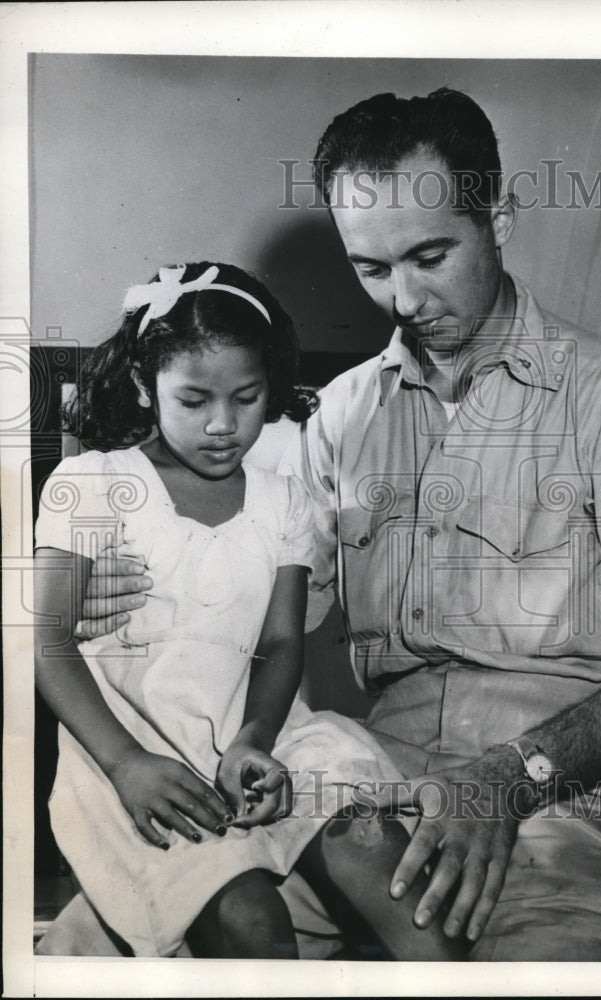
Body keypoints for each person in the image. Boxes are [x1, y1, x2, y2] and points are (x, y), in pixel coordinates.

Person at [63, 89, 601, 961]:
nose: (403, 299)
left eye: (430, 256)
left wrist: (515, 773)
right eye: (371, 268)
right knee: (88, 947)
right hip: (370, 782)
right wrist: (119, 601)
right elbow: (261, 617)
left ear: (499, 219)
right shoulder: (337, 418)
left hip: (575, 799)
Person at [33, 260, 466, 961]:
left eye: (247, 397)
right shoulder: (91, 483)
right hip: (134, 749)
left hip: (264, 734)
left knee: (380, 858)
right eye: (194, 400)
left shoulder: (282, 500)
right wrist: (127, 763)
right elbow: (45, 642)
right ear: (144, 385)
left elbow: (282, 643)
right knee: (250, 918)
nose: (223, 425)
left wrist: (254, 739)